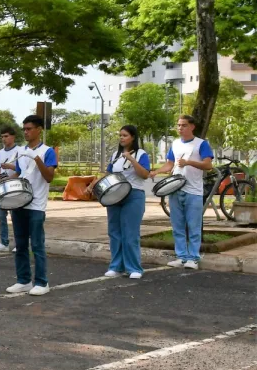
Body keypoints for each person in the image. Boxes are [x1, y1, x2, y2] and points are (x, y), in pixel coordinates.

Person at [86, 125, 151, 279]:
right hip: (114, 195)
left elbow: (145, 174)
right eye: (120, 135)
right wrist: (93, 184)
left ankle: (134, 268)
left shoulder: (141, 154)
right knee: (114, 232)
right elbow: (109, 173)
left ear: (133, 137)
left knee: (130, 233)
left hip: (133, 195)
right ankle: (116, 266)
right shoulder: (115, 154)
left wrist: (131, 159)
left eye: (125, 135)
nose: (122, 138)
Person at [150, 115, 214, 269]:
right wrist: (156, 172)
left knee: (193, 226)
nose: (180, 128)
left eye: (184, 125)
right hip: (175, 190)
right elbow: (170, 164)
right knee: (177, 225)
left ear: (192, 126)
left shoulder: (201, 144)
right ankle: (181, 256)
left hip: (194, 191)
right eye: (178, 125)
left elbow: (208, 165)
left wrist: (189, 162)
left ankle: (193, 258)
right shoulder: (176, 144)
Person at [6, 115, 58, 296]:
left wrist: (37, 159)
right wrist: (2, 183)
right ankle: (24, 280)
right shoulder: (21, 151)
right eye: (24, 129)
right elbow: (20, 174)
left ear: (39, 130)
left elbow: (49, 177)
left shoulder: (47, 151)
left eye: (29, 129)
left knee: (37, 244)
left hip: (36, 204)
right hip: (19, 202)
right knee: (20, 245)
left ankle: (42, 282)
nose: (26, 132)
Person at [0, 127, 21, 252]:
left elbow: (21, 170)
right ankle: (4, 242)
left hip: (14, 186)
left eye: (6, 136)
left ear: (13, 136)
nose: (4, 139)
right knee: (1, 216)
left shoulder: (20, 151)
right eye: (2, 136)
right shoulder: (1, 152)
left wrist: (10, 167)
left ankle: (19, 243)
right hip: (2, 187)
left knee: (16, 217)